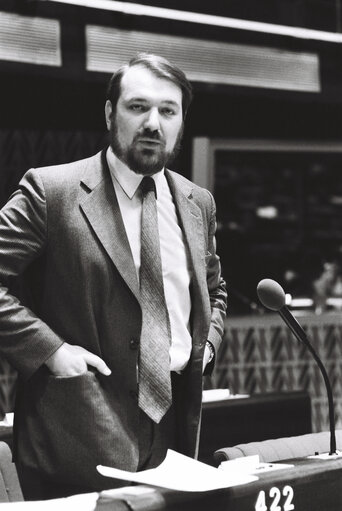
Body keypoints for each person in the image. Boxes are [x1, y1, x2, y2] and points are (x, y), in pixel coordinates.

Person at [0, 53, 227, 500]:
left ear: (181, 121)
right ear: (110, 113)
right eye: (137, 106)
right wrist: (52, 350)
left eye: (168, 110)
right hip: (78, 426)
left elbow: (216, 291)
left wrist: (207, 346)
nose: (153, 123)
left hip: (177, 428)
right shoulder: (52, 190)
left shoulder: (198, 202)